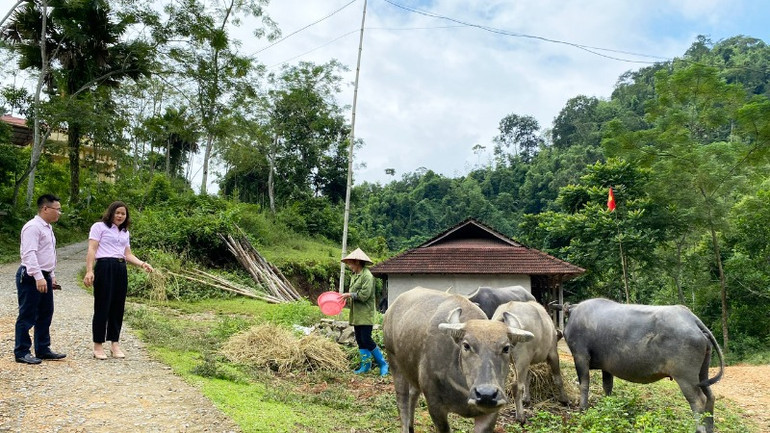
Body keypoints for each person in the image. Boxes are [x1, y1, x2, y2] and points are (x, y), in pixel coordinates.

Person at [83, 201, 153, 359]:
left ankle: (115, 344)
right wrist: (89, 270)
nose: (120, 216)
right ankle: (98, 345)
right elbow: (92, 249)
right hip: (104, 266)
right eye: (117, 212)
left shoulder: (125, 232)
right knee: (102, 306)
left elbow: (127, 254)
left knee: (118, 307)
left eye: (123, 213)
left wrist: (142, 264)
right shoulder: (99, 227)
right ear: (111, 213)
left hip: (120, 268)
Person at [14, 194, 67, 364]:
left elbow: (47, 254)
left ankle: (43, 348)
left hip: (44, 275)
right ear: (45, 209)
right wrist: (38, 276)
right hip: (31, 275)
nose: (59, 213)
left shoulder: (47, 228)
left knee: (45, 313)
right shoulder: (33, 227)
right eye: (57, 210)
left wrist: (50, 276)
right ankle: (22, 351)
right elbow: (29, 254)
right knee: (27, 314)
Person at [340, 248, 388, 377]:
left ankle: (383, 364)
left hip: (365, 313)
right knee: (360, 340)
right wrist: (347, 298)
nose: (349, 266)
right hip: (356, 313)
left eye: (350, 263)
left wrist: (349, 294)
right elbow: (353, 295)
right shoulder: (355, 276)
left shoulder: (367, 276)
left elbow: (364, 295)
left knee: (367, 339)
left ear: (357, 262)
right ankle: (365, 366)